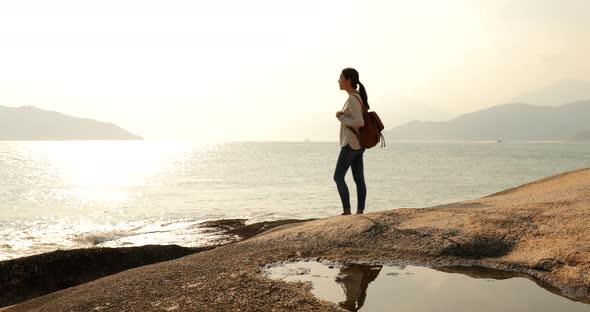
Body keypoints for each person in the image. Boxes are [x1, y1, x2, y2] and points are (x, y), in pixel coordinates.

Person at [334, 67, 369, 215]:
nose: (338, 81)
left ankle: (347, 211)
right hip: (358, 144)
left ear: (348, 81)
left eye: (341, 78)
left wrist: (341, 117)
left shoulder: (352, 98)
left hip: (350, 144)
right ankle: (359, 212)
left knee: (338, 177)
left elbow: (359, 122)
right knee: (358, 179)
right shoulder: (357, 97)